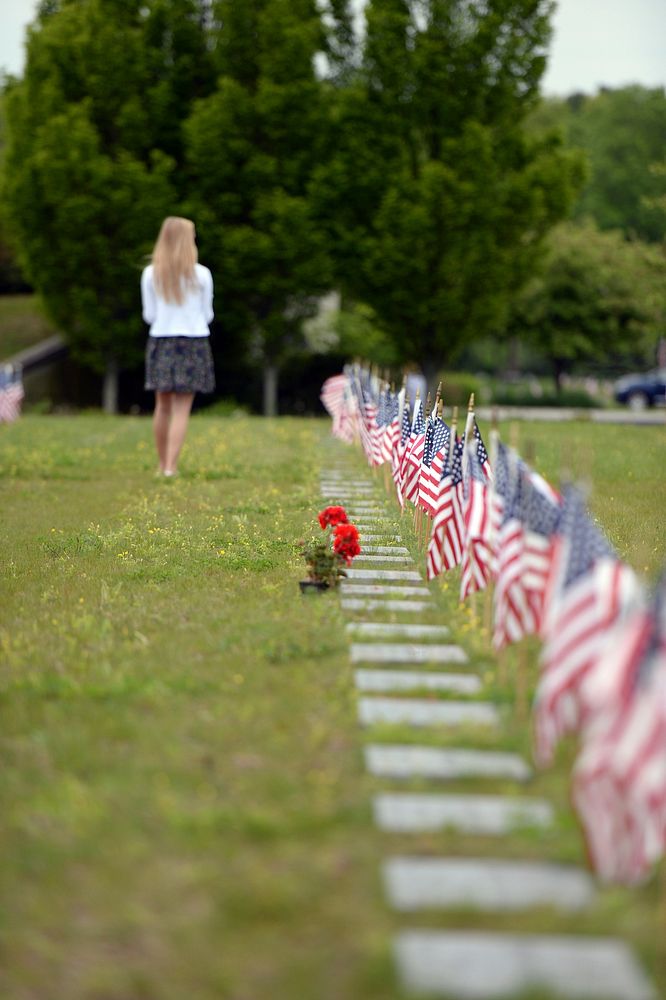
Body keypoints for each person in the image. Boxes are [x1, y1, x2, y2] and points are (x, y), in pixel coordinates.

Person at [141, 216, 215, 477]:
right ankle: (171, 467)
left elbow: (149, 315)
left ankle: (162, 465)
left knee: (162, 406)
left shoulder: (151, 274)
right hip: (193, 342)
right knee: (182, 408)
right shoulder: (202, 274)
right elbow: (207, 315)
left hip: (162, 341)